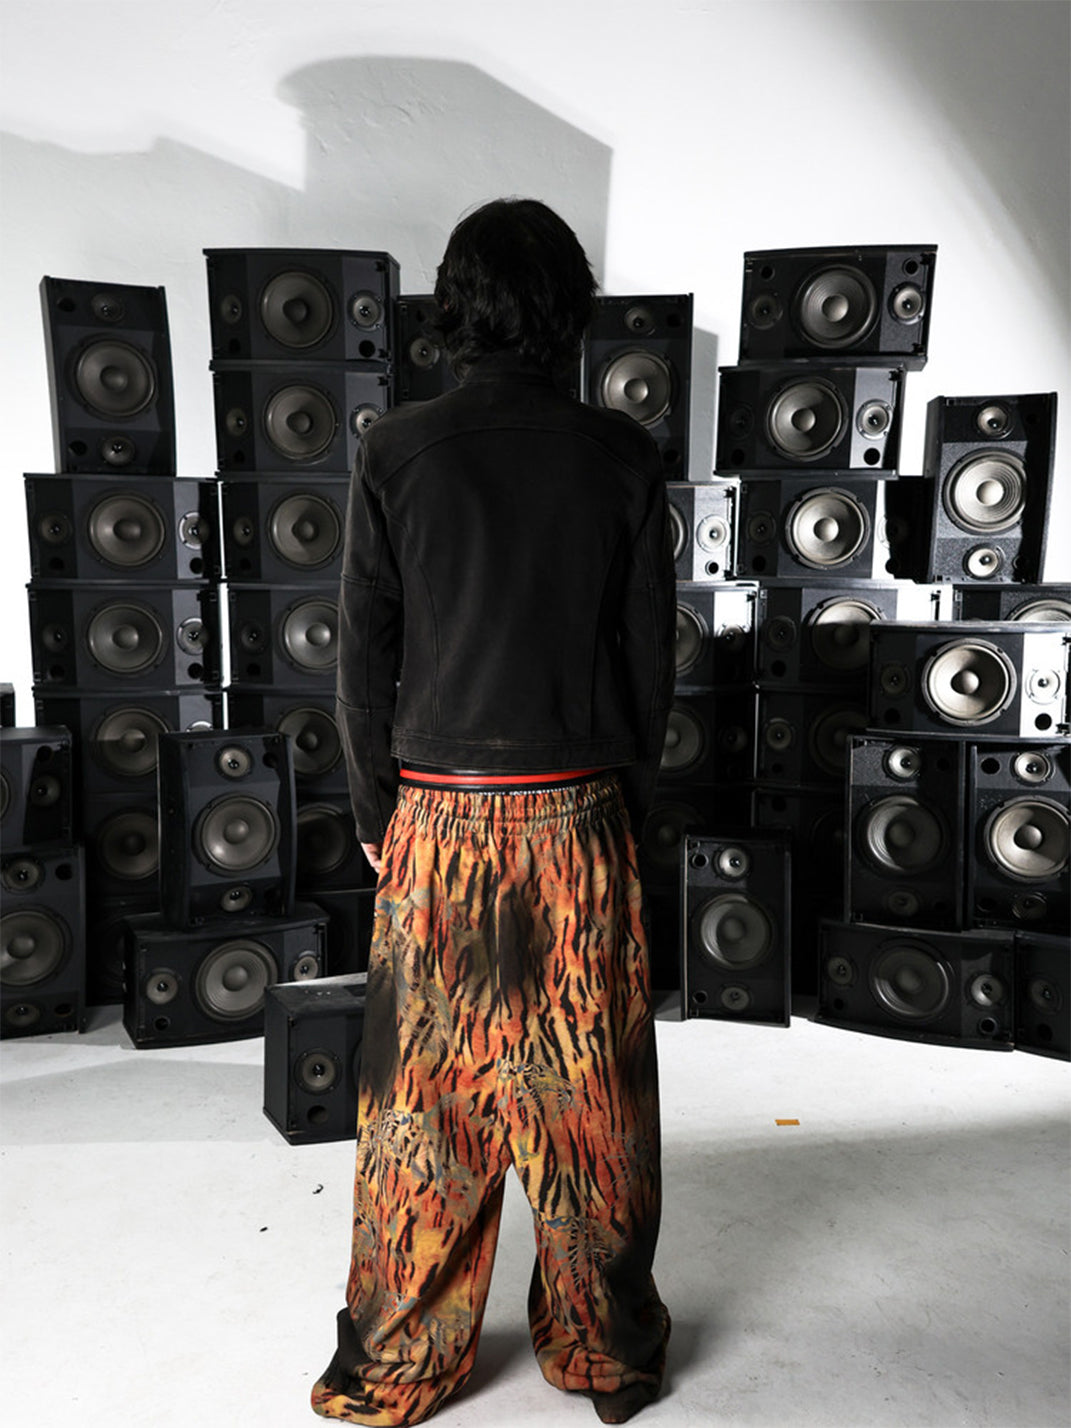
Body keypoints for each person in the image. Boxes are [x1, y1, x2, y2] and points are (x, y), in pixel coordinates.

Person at [311, 196, 676, 1427]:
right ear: (571, 308)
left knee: (423, 1107)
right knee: (590, 1098)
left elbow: (364, 655)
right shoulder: (621, 455)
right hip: (576, 811)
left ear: (453, 306)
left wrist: (378, 812)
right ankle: (600, 1346)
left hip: (440, 818)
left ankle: (401, 1358)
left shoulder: (395, 449)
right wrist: (629, 814)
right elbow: (646, 664)